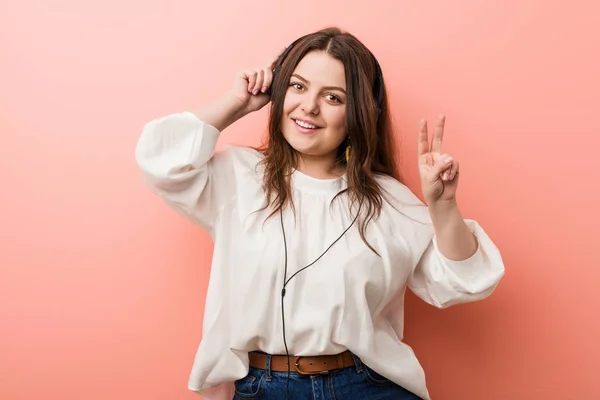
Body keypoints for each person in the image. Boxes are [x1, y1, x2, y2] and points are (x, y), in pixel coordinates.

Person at [135, 27, 505, 400]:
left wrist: (442, 207)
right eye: (297, 86)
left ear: (358, 113)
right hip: (264, 387)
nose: (309, 106)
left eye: (332, 97)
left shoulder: (388, 200)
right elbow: (159, 160)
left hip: (366, 386)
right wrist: (236, 103)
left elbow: (463, 282)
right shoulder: (237, 175)